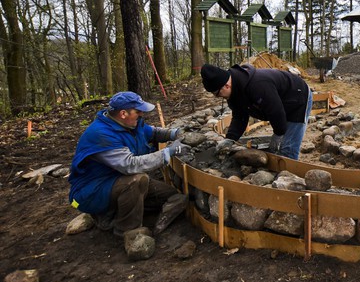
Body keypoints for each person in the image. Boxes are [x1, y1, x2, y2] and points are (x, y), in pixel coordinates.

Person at [69, 92, 188, 237]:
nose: (141, 114)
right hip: (94, 190)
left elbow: (153, 132)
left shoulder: (129, 124)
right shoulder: (102, 134)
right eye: (137, 111)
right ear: (123, 113)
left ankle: (120, 212)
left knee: (172, 196)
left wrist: (175, 133)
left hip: (118, 180)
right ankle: (127, 230)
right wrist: (168, 153)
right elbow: (130, 165)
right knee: (137, 180)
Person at [201, 63, 313, 160]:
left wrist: (278, 134)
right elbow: (240, 116)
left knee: (288, 147)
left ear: (226, 85)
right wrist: (231, 138)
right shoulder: (234, 92)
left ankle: (288, 178)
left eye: (217, 93)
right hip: (280, 102)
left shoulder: (258, 85)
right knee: (282, 144)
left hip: (298, 97)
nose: (218, 97)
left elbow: (275, 111)